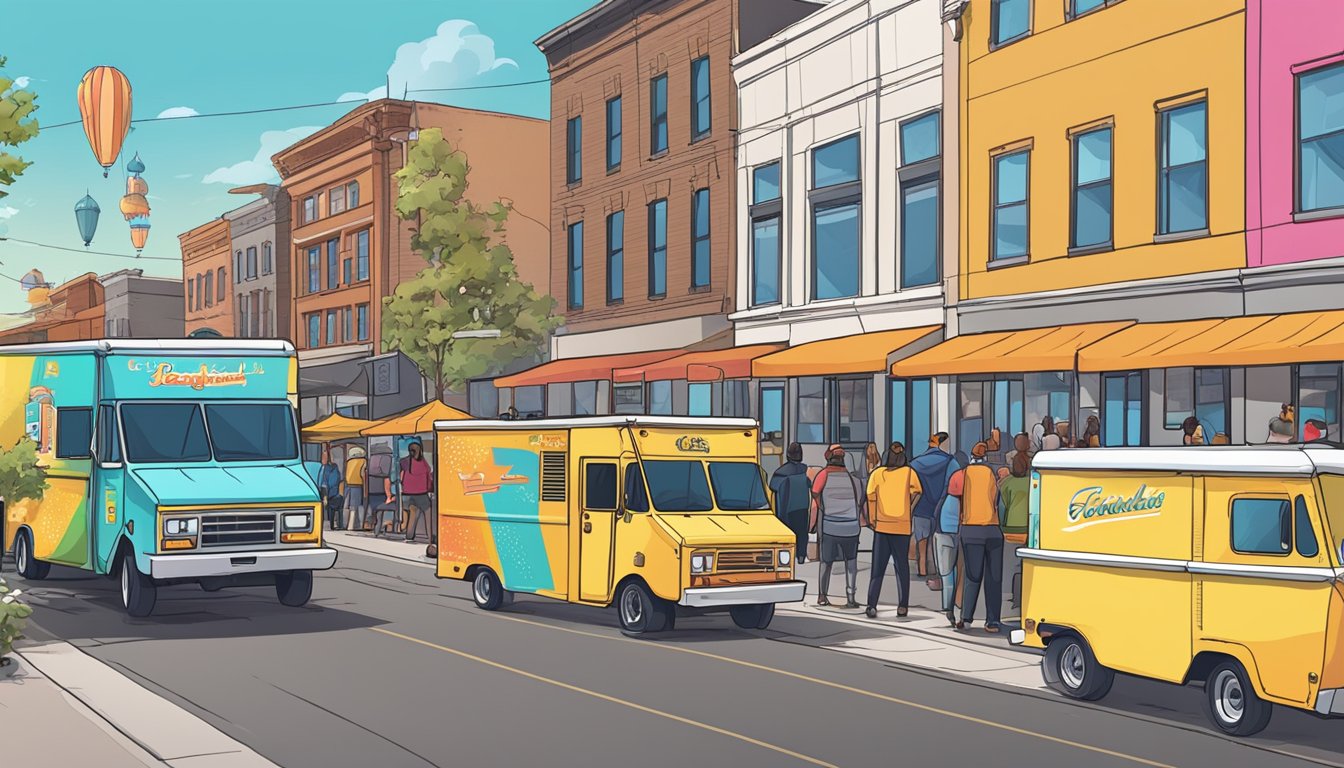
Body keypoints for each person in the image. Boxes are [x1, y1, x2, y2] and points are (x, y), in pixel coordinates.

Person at [948, 441, 1004, 633]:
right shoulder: (994, 474)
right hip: (993, 530)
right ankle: (993, 621)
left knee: (972, 576)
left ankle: (966, 618)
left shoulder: (961, 474)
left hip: (971, 530)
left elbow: (953, 494)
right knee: (994, 577)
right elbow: (999, 501)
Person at [864, 443, 922, 619]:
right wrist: (909, 509)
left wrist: (872, 520)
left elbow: (870, 498)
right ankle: (902, 606)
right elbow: (918, 492)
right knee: (902, 567)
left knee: (877, 569)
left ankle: (871, 605)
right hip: (902, 526)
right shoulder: (909, 473)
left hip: (881, 526)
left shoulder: (877, 474)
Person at [810, 445, 867, 609]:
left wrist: (823, 506)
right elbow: (859, 501)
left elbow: (815, 492)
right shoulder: (854, 480)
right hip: (851, 528)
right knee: (851, 563)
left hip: (830, 527)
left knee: (826, 563)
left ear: (829, 458)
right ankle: (850, 597)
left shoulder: (823, 475)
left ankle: (822, 595)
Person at [910, 433, 958, 588]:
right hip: (942, 507)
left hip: (920, 507)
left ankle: (922, 569)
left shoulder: (915, 463)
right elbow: (953, 484)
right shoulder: (951, 462)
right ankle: (937, 570)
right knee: (937, 541)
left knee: (922, 540)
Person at [769, 443, 812, 564]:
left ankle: (787, 558)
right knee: (802, 532)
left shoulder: (781, 471)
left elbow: (772, 486)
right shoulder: (805, 470)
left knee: (788, 532)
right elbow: (811, 485)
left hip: (785, 508)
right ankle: (802, 556)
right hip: (802, 507)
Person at [998, 452, 1031, 609]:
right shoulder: (1033, 482)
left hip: (1010, 528)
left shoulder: (1007, 483)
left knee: (1013, 565)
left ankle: (1015, 596)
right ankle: (1025, 595)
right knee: (1027, 563)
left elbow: (1003, 507)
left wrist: (1001, 525)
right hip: (1028, 527)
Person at [401, 439, 435, 545]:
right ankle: (430, 538)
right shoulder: (423, 463)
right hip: (421, 493)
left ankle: (409, 536)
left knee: (412, 513)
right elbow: (428, 475)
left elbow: (399, 475)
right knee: (428, 514)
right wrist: (430, 489)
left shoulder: (404, 461)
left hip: (406, 493)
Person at [316, 446, 343, 530]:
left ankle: (329, 524)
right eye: (323, 457)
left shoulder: (332, 468)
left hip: (330, 493)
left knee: (331, 503)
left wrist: (326, 495)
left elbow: (333, 482)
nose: (324, 458)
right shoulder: (317, 467)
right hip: (318, 490)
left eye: (326, 457)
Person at [343, 446, 368, 532]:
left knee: (350, 507)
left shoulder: (349, 462)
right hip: (358, 486)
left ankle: (349, 525)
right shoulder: (363, 461)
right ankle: (356, 525)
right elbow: (363, 474)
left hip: (349, 486)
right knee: (358, 507)